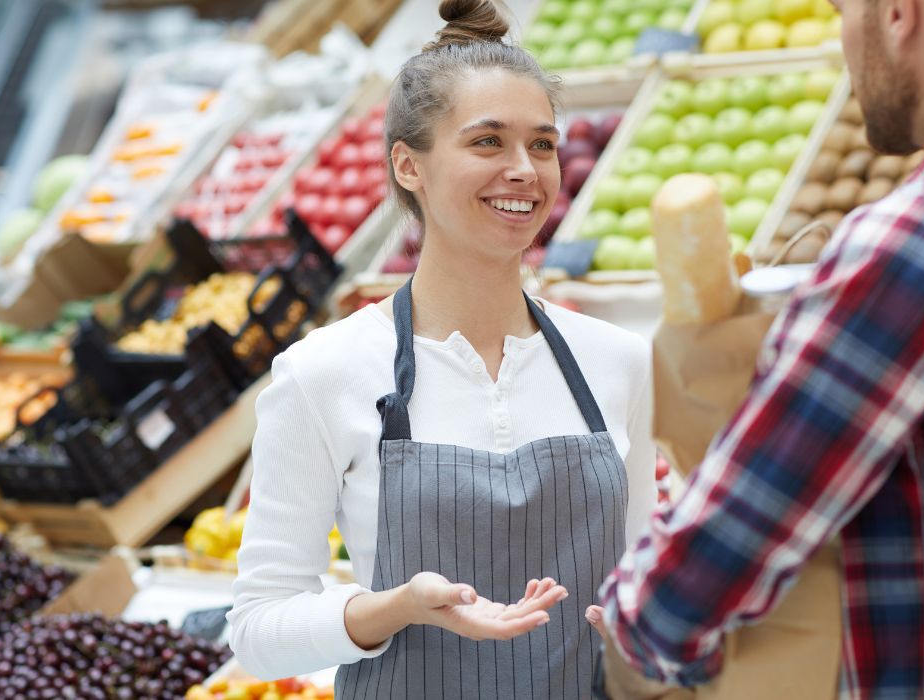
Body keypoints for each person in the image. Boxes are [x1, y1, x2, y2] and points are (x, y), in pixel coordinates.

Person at [228, 1, 656, 696]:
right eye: (488, 142)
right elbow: (258, 629)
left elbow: (638, 575)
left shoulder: (618, 360)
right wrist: (395, 607)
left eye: (543, 145)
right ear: (409, 166)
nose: (525, 169)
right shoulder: (322, 374)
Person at [596, 0, 924, 698]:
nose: (843, 36)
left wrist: (630, 624)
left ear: (899, 14)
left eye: (844, 10)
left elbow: (707, 568)